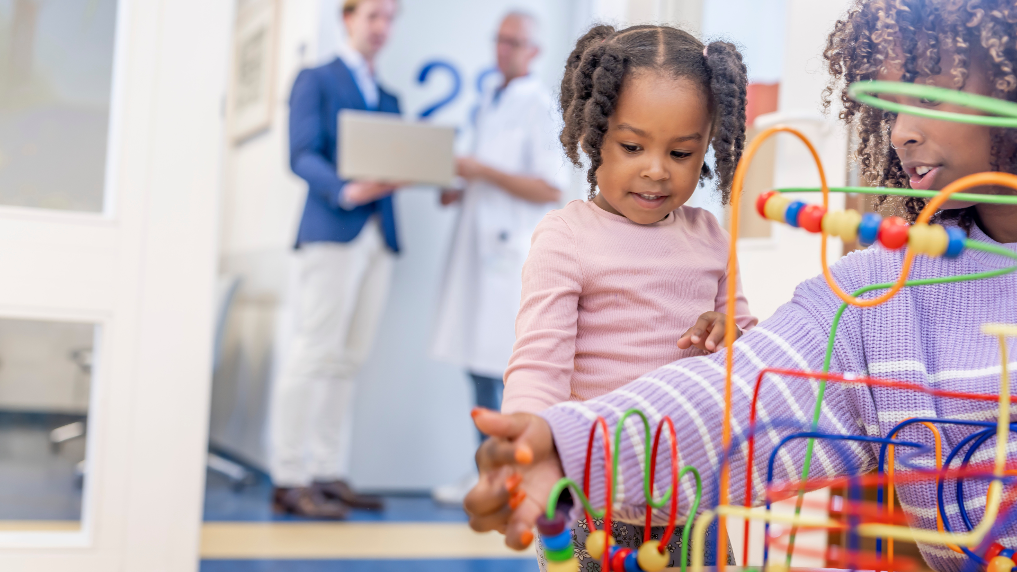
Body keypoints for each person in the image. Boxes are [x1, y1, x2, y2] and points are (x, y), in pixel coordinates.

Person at [464, 2, 1017, 571]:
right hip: (615, 498)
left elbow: (739, 337)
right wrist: (553, 446)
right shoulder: (878, 294)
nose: (900, 133)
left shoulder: (707, 236)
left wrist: (728, 329)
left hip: (680, 514)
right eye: (893, 104)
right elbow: (743, 393)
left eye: (926, 98)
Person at [498, 25, 757, 569]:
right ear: (594, 135)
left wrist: (729, 329)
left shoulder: (711, 237)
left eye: (682, 152)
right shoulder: (567, 236)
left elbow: (748, 358)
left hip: (695, 504)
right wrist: (525, 446)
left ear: (706, 147)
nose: (656, 169)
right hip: (595, 508)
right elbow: (538, 364)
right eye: (632, 146)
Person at [430, 11, 569, 505]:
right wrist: (461, 186)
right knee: (476, 364)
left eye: (514, 43)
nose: (503, 50)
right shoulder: (491, 101)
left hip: (508, 256)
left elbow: (551, 185)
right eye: (500, 40)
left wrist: (480, 170)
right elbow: (486, 177)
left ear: (534, 51)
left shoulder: (538, 105)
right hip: (481, 249)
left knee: (498, 367)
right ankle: (488, 473)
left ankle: (505, 479)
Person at [269, 0, 400, 519]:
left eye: (390, 17)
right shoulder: (317, 78)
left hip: (379, 237)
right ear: (347, 18)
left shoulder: (389, 96)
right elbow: (300, 154)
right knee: (312, 351)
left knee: (348, 359)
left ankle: (325, 472)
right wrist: (347, 190)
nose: (382, 27)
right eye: (373, 15)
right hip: (332, 228)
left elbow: (395, 158)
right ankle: (288, 477)